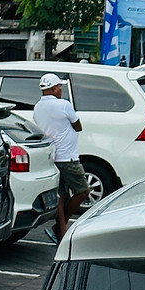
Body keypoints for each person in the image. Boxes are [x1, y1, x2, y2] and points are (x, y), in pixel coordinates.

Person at [32, 73, 90, 242]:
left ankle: (61, 232)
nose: (61, 89)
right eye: (59, 86)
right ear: (53, 88)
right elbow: (78, 126)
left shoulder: (37, 107)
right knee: (83, 191)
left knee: (61, 195)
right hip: (68, 157)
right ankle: (59, 229)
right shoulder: (64, 105)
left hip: (52, 156)